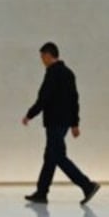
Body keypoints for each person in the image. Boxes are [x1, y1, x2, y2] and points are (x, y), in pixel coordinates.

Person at [22, 42, 100, 205]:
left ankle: (87, 185)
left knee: (58, 157)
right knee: (50, 157)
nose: (42, 60)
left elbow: (44, 98)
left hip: (54, 122)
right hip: (63, 123)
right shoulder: (69, 73)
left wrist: (30, 114)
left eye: (43, 57)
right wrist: (74, 123)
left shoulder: (52, 73)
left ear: (49, 55)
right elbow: (74, 100)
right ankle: (42, 192)